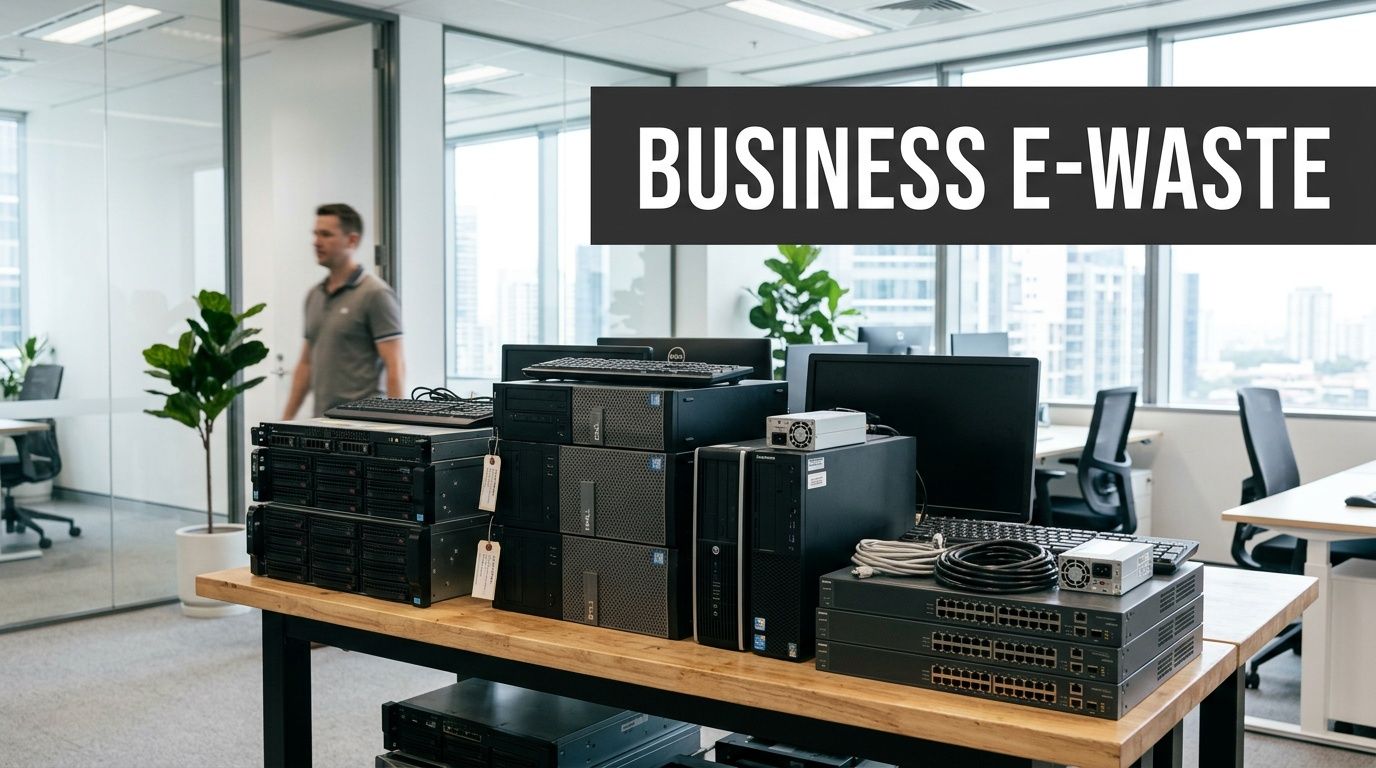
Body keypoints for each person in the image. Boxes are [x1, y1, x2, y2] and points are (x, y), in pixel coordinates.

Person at [282, 203, 405, 419]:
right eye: (315, 234)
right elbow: (306, 365)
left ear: (352, 240)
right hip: (323, 422)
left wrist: (398, 426)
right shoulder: (314, 295)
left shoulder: (375, 294)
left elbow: (395, 365)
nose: (316, 242)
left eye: (326, 234)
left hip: (365, 424)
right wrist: (285, 421)